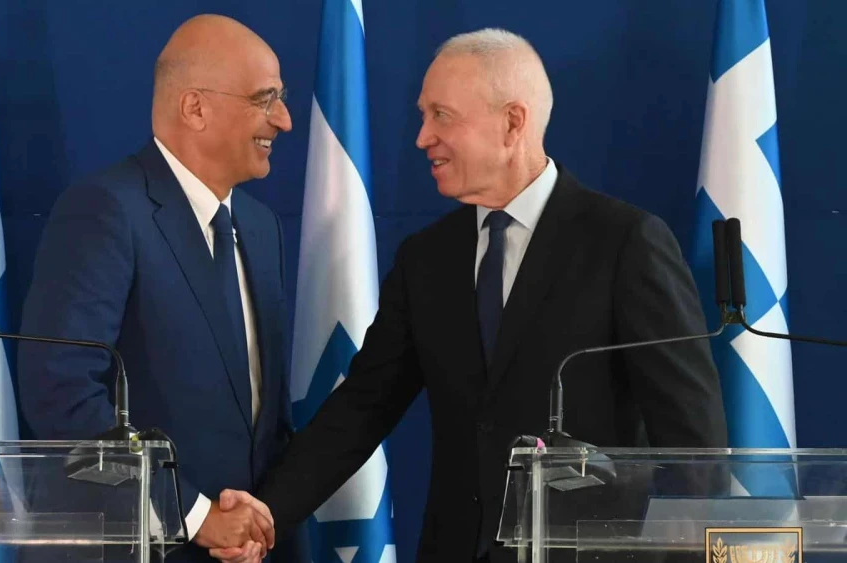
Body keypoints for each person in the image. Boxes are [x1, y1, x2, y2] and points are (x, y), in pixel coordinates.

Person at [234, 28, 728, 563]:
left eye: (441, 116)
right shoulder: (427, 258)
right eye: (423, 116)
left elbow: (693, 447)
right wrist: (265, 514)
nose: (422, 137)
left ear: (512, 123)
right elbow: (361, 408)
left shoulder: (624, 244)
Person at [17, 14, 306, 563]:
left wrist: (258, 529)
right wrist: (193, 517)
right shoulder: (105, 210)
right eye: (265, 99)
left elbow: (267, 421)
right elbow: (60, 392)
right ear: (195, 108)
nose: (284, 120)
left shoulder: (262, 227)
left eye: (282, 98)